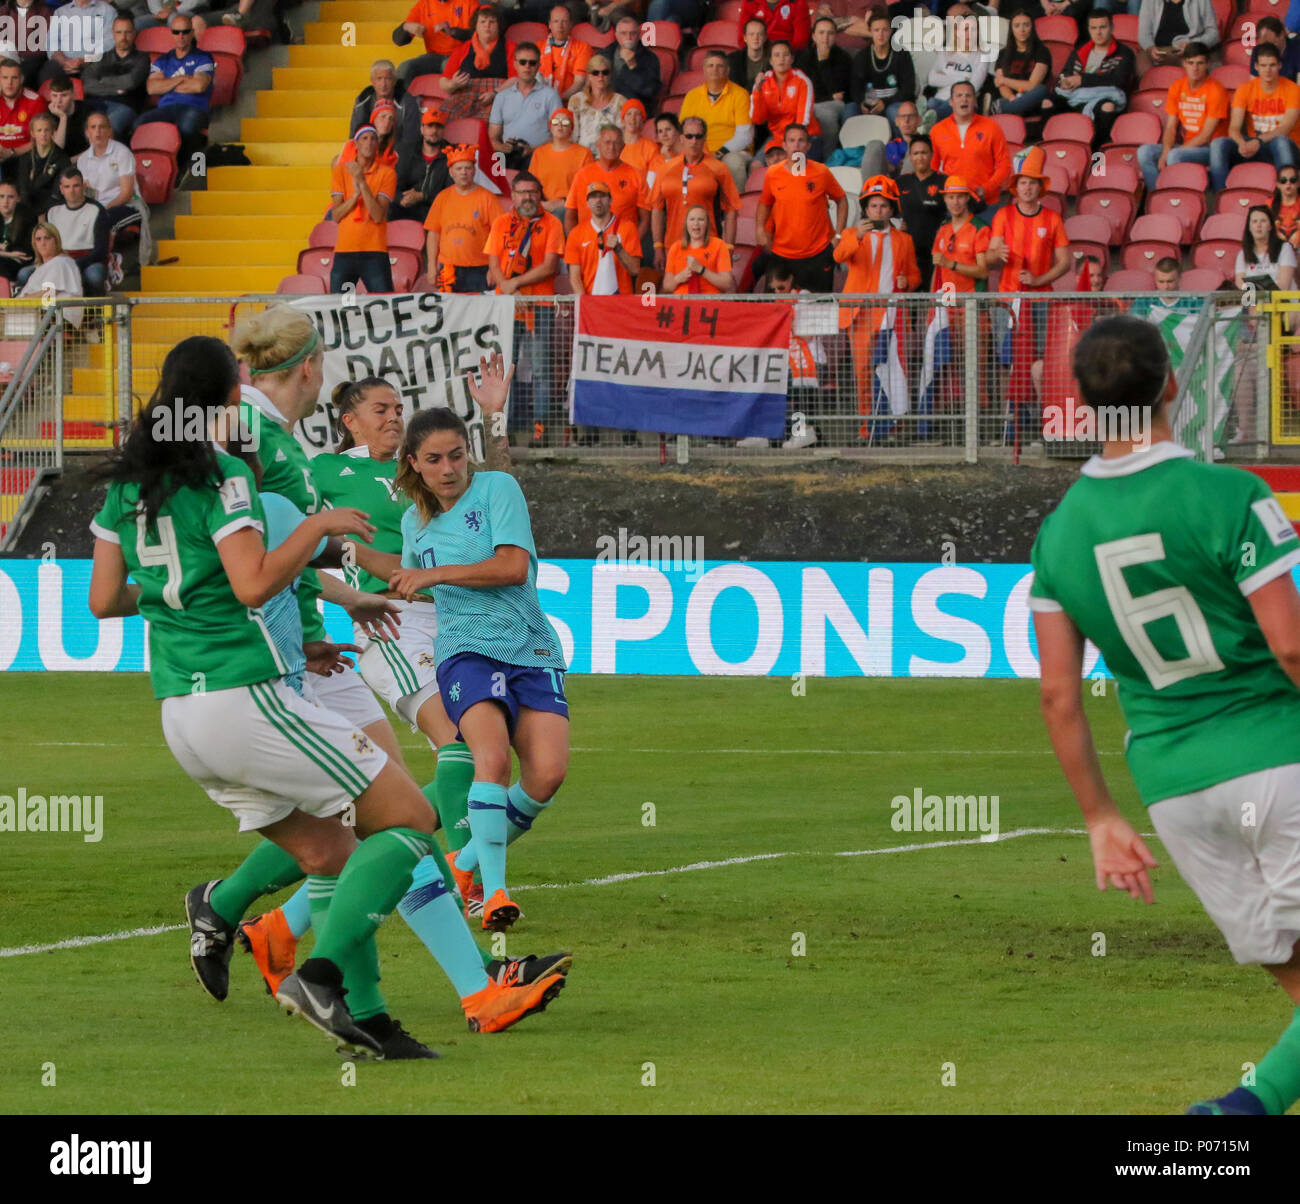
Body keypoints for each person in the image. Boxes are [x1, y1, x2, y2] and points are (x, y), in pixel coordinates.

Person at [86, 335, 440, 1059]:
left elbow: (103, 598)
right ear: (226, 398)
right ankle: (318, 974)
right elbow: (252, 583)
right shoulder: (224, 474)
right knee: (411, 818)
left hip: (181, 718)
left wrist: (180, 597)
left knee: (334, 853)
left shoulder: (130, 481)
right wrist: (316, 525)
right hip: (242, 701)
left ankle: (366, 1018)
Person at [1028, 312, 1300, 1118]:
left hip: (1174, 790)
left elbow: (1057, 696)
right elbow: (1291, 650)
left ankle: (1230, 1125)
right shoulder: (1230, 493)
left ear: (1080, 401)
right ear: (1173, 386)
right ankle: (1232, 1117)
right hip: (1280, 756)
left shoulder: (1059, 533)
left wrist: (1099, 817)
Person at [381, 402, 572, 932]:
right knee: (490, 759)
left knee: (548, 775)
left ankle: (462, 867)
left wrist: (433, 575)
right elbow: (420, 588)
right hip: (465, 649)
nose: (449, 469)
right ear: (414, 463)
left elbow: (512, 568)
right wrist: (368, 595)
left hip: (531, 647)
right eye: (435, 459)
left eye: (457, 456)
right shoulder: (412, 523)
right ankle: (494, 893)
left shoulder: (497, 491)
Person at [987, 147, 1070, 440]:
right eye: (1023, 181)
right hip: (1007, 302)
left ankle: (1039, 423)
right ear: (1016, 186)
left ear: (1041, 187)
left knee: (1038, 362)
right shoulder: (1002, 216)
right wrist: (997, 255)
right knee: (1006, 361)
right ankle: (1009, 423)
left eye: (1033, 182)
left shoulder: (1053, 219)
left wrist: (1038, 279)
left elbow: (1065, 262)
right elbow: (989, 256)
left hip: (1040, 301)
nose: (1027, 187)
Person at [834, 174, 920, 441]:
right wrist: (856, 236)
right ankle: (866, 428)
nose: (878, 210)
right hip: (859, 314)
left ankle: (893, 427)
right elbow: (838, 256)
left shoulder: (904, 240)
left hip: (891, 314)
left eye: (883, 206)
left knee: (894, 370)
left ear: (892, 209)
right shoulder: (852, 234)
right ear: (866, 209)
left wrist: (908, 282)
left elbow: (916, 276)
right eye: (873, 206)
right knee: (862, 371)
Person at [485, 171, 564, 444]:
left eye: (532, 192)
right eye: (522, 192)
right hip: (507, 305)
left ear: (539, 194)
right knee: (508, 366)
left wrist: (514, 282)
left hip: (539, 304)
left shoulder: (552, 223)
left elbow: (550, 266)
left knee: (542, 368)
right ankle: (508, 427)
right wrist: (505, 285)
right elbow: (493, 262)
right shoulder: (501, 223)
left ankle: (539, 429)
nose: (527, 197)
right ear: (513, 195)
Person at [919, 175, 990, 437]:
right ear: (945, 199)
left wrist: (952, 264)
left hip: (971, 307)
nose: (956, 201)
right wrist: (929, 304)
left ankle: (979, 429)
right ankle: (949, 428)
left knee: (974, 367)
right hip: (944, 307)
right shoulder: (944, 229)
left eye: (960, 196)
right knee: (943, 366)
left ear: (968, 198)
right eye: (951, 197)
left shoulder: (979, 228)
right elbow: (936, 273)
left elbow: (983, 271)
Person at [756, 122, 846, 289]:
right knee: (778, 310)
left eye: (801, 141)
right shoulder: (773, 173)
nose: (796, 145)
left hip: (818, 253)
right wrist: (760, 229)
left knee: (820, 311)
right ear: (784, 145)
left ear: (808, 146)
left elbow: (841, 200)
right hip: (781, 253)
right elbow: (764, 203)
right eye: (791, 140)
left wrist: (838, 236)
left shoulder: (821, 171)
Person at [648, 116, 740, 264]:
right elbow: (657, 209)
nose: (694, 141)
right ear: (681, 138)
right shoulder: (665, 169)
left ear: (705, 139)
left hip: (708, 247)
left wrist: (729, 247)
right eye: (689, 136)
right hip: (673, 247)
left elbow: (732, 209)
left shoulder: (719, 168)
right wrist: (658, 246)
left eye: (698, 136)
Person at [1136, 42, 1226, 192]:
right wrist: (1165, 152)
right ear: (1184, 63)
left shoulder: (1216, 90)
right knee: (1144, 152)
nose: (1195, 68)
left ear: (1208, 64)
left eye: (1200, 63)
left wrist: (1172, 153)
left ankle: (1175, 199)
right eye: (1191, 63)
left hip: (1210, 150)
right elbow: (1171, 126)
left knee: (1175, 155)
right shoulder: (1177, 87)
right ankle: (1157, 196)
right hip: (1188, 146)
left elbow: (1205, 136)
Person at [1209, 44, 1300, 192]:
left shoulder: (1293, 89)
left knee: (1280, 141)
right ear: (1256, 67)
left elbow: (1285, 128)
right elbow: (1234, 128)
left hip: (1287, 147)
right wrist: (1241, 143)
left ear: (1280, 65)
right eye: (1263, 65)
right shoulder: (1245, 89)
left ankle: (1287, 200)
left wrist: (1258, 141)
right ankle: (1222, 196)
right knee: (1218, 144)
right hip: (1253, 146)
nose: (1268, 70)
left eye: (1272, 65)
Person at [1044, 10, 1137, 148]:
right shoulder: (1081, 50)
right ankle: (1052, 148)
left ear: (1112, 28)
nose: (1098, 33)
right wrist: (1065, 82)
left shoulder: (1124, 52)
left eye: (1103, 27)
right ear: (1088, 29)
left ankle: (1095, 151)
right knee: (1047, 103)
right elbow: (1065, 74)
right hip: (1075, 96)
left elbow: (1119, 79)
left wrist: (1082, 80)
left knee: (1108, 106)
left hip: (1104, 97)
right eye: (1093, 28)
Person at [424, 143, 504, 292]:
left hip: (480, 269)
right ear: (451, 172)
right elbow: (433, 233)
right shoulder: (442, 197)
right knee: (450, 313)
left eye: (468, 168)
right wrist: (431, 265)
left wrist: (494, 268)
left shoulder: (488, 198)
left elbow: (499, 235)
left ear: (474, 171)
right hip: (448, 269)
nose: (463, 172)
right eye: (459, 169)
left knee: (479, 313)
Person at [328, 125, 395, 294]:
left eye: (373, 139)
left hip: (374, 251)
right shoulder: (340, 171)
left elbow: (378, 215)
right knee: (342, 306)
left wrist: (362, 182)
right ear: (356, 144)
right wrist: (354, 196)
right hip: (345, 250)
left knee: (384, 305)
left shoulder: (387, 174)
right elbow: (336, 215)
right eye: (364, 138)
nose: (369, 143)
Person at [929, 80, 1011, 214]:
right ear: (951, 101)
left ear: (975, 101)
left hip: (986, 202)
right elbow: (932, 168)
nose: (964, 99)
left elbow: (1004, 165)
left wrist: (987, 188)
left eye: (968, 96)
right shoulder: (937, 131)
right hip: (952, 204)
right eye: (959, 96)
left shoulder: (992, 128)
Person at [680, 50, 755, 193]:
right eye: (710, 65)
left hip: (733, 151)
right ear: (704, 70)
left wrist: (719, 153)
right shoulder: (692, 95)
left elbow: (745, 136)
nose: (715, 69)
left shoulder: (740, 94)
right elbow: (684, 130)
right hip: (699, 149)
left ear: (727, 70)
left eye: (720, 66)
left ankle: (736, 208)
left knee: (734, 162)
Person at [134, 13, 212, 147]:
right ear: (171, 33)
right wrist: (182, 78)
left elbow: (199, 86)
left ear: (192, 33)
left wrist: (166, 84)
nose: (181, 36)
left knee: (186, 129)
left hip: (194, 108)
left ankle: (185, 165)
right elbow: (152, 88)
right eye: (176, 32)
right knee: (139, 125)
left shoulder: (203, 57)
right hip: (166, 109)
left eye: (185, 32)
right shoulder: (162, 59)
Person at [489, 41, 561, 171]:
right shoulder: (501, 97)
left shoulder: (551, 95)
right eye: (523, 62)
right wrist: (502, 147)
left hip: (541, 156)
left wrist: (533, 149)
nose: (527, 66)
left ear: (539, 66)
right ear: (515, 64)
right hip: (508, 156)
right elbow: (493, 137)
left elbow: (558, 135)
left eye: (532, 63)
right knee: (493, 164)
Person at [37, 165, 109, 294]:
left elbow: (101, 251)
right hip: (58, 261)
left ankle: (97, 312)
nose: (72, 191)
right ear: (61, 189)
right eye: (67, 186)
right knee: (24, 274)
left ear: (83, 186)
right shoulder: (53, 211)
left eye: (76, 186)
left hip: (88, 261)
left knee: (95, 275)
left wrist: (74, 263)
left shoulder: (97, 210)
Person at [564, 122, 646, 235]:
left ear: (623, 146)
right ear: (598, 144)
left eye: (616, 143)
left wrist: (632, 245)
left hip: (623, 244)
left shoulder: (635, 175)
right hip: (587, 244)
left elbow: (645, 219)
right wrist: (575, 244)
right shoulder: (582, 174)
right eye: (607, 142)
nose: (611, 147)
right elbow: (570, 215)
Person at [438, 4, 514, 123]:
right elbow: (443, 81)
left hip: (499, 96)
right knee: (443, 114)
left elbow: (517, 79)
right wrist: (453, 84)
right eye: (482, 22)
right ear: (476, 26)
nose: (487, 26)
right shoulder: (462, 49)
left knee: (492, 119)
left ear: (499, 26)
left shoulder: (510, 47)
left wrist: (495, 93)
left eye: (492, 22)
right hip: (465, 96)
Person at [82, 14, 150, 142]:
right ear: (113, 34)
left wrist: (102, 81)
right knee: (77, 127)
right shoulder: (101, 57)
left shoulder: (142, 58)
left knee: (105, 131)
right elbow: (87, 85)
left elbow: (130, 82)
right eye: (119, 32)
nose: (123, 37)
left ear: (134, 33)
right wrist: (115, 90)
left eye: (127, 32)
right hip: (95, 104)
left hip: (124, 106)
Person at [564, 177, 639, 294]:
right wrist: (586, 304)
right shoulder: (576, 233)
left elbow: (635, 270)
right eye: (593, 197)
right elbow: (575, 278)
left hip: (621, 303)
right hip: (592, 302)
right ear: (587, 203)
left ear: (610, 200)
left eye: (602, 196)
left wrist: (619, 249)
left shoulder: (628, 227)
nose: (598, 200)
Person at [922, 4, 989, 126]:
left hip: (964, 102)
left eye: (974, 29)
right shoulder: (946, 52)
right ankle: (926, 119)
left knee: (936, 109)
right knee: (932, 103)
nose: (970, 34)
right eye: (965, 29)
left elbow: (973, 86)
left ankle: (925, 120)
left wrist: (946, 78)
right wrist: (962, 79)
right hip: (939, 99)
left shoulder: (982, 56)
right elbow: (932, 79)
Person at [848, 8, 916, 128]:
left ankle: (899, 144)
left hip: (893, 102)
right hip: (869, 103)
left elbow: (908, 88)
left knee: (894, 112)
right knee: (849, 110)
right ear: (870, 32)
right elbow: (855, 87)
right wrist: (862, 103)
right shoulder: (862, 56)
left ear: (890, 31)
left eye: (885, 30)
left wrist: (885, 103)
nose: (881, 34)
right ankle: (852, 146)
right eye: (876, 30)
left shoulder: (901, 54)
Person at [897, 134, 946, 289]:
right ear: (910, 157)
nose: (920, 157)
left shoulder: (944, 181)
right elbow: (885, 210)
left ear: (931, 155)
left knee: (940, 303)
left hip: (938, 255)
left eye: (924, 153)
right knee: (911, 305)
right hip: (908, 255)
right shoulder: (900, 182)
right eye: (916, 153)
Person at [796, 15, 851, 151]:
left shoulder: (844, 58)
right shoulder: (803, 57)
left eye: (830, 33)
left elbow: (839, 91)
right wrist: (828, 96)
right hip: (810, 102)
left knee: (826, 115)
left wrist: (824, 62)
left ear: (835, 36)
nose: (825, 38)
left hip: (833, 106)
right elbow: (804, 89)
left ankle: (828, 158)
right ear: (814, 36)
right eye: (821, 33)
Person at [13, 221, 80, 331]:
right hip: (41, 314)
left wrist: (21, 301)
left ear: (56, 241)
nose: (43, 243)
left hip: (59, 317)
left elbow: (49, 293)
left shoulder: (61, 262)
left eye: (47, 238)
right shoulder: (40, 267)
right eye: (38, 239)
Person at [751, 40, 820, 148]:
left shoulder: (802, 81)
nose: (781, 59)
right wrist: (757, 91)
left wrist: (789, 146)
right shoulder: (763, 82)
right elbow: (757, 119)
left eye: (785, 55)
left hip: (805, 138)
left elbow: (803, 121)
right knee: (756, 164)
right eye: (777, 55)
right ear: (771, 61)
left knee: (793, 163)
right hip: (778, 138)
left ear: (792, 59)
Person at [529, 105, 591, 218]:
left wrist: (563, 202)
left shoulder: (584, 153)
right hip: (542, 204)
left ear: (571, 129)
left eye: (565, 122)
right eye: (556, 121)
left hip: (570, 206)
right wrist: (542, 203)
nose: (560, 125)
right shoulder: (539, 153)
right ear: (550, 127)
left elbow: (586, 187)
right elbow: (531, 184)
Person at [349, 60, 421, 157]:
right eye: (379, 79)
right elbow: (354, 138)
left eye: (388, 79)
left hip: (399, 155)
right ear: (372, 82)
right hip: (368, 154)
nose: (383, 85)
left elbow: (411, 140)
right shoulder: (362, 101)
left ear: (394, 81)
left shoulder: (408, 103)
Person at [988, 10, 1051, 120]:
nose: (1022, 30)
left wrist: (1004, 80)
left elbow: (1032, 86)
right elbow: (1001, 86)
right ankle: (1014, 108)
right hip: (1010, 99)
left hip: (1031, 98)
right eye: (1017, 26)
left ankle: (1003, 108)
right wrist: (1012, 98)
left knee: (1042, 90)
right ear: (1011, 29)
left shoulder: (1042, 51)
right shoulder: (1003, 53)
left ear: (1032, 27)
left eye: (1026, 25)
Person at [391, 108, 450, 223]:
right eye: (430, 126)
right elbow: (394, 184)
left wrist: (423, 196)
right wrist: (402, 199)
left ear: (444, 131)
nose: (434, 131)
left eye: (438, 127)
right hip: (406, 206)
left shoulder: (451, 154)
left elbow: (451, 192)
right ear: (422, 129)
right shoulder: (406, 152)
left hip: (435, 209)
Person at [396, 0, 476, 83]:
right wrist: (406, 27)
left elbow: (479, 34)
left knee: (448, 68)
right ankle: (407, 96)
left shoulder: (469, 2)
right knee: (404, 69)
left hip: (461, 56)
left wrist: (452, 32)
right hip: (433, 57)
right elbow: (398, 41)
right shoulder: (424, 4)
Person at [662, 202, 735, 294]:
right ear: (686, 224)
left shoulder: (719, 245)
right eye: (692, 219)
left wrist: (701, 270)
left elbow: (727, 283)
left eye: (700, 219)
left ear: (707, 224)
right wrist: (679, 278)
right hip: (681, 303)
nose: (696, 223)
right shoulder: (675, 247)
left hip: (710, 302)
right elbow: (667, 286)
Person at [42, 0, 116, 86]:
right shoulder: (60, 12)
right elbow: (51, 43)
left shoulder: (107, 10)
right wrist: (64, 61)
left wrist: (84, 60)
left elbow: (109, 43)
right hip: (64, 63)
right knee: (48, 72)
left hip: (93, 62)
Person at [1235, 203, 1297, 291]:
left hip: (1282, 302)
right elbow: (1241, 286)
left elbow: (1284, 286)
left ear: (1270, 226)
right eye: (1254, 221)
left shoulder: (1284, 248)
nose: (1258, 225)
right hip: (1255, 303)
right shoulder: (1242, 254)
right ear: (1249, 227)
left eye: (1263, 221)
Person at [569, 53, 625, 151]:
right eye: (595, 73)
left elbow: (623, 137)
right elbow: (573, 136)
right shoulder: (576, 100)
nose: (601, 76)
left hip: (610, 156)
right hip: (582, 156)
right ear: (589, 76)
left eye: (605, 72)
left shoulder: (620, 101)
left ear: (610, 75)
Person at [13, 112, 66, 213]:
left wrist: (42, 214)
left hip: (52, 210)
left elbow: (57, 194)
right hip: (28, 209)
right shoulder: (25, 159)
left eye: (47, 130)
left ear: (53, 132)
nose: (43, 134)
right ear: (33, 133)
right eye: (39, 130)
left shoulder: (62, 158)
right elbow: (23, 190)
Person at [1137, 0, 1218, 63]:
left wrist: (1193, 45)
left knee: (1195, 64)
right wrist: (1150, 48)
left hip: (1191, 50)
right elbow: (1144, 34)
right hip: (1160, 50)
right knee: (1142, 61)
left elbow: (1213, 33)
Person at [0, 56, 43, 173]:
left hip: (26, 159)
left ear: (21, 79)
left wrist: (12, 152)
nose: (9, 83)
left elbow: (42, 139)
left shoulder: (35, 101)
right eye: (5, 77)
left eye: (14, 78)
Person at [539, 4, 590, 102]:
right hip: (540, 103)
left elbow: (579, 82)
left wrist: (557, 100)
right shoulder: (537, 47)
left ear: (571, 24)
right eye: (556, 21)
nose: (560, 26)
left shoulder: (583, 47)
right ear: (549, 24)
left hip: (569, 102)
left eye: (564, 21)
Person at [609, 11, 658, 110]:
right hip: (606, 107)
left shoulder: (650, 58)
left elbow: (649, 91)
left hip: (633, 111)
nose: (628, 38)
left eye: (633, 33)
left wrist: (633, 66)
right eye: (623, 33)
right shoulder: (605, 53)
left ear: (639, 35)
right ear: (616, 35)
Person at [0, 0, 53, 89]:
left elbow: (44, 45)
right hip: (6, 56)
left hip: (30, 59)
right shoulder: (5, 10)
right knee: (6, 46)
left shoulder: (44, 11)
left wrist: (20, 55)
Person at [864, 99, 920, 178]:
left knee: (918, 150)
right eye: (902, 117)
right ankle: (871, 189)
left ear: (919, 120)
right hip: (887, 183)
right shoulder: (893, 145)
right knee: (874, 145)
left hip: (911, 185)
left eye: (911, 116)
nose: (906, 120)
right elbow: (889, 168)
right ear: (896, 121)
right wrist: (891, 164)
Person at [619, 99, 663, 189]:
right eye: (629, 114)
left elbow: (651, 183)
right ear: (623, 120)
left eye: (637, 114)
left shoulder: (651, 147)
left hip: (641, 197)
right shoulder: (614, 146)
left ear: (643, 120)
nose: (632, 118)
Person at [737, 0, 810, 51]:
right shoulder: (749, 2)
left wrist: (781, 53)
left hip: (787, 54)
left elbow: (801, 40)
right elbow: (742, 38)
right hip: (758, 52)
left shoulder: (798, 2)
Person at [47, 74, 89, 158]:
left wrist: (73, 161)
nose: (59, 101)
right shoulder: (47, 115)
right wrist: (63, 118)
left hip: (85, 160)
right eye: (55, 96)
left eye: (64, 95)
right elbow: (57, 150)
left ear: (73, 95)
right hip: (60, 163)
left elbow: (97, 146)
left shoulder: (86, 111)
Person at [0, 179, 32, 282]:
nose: (5, 201)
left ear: (18, 198)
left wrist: (7, 250)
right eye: (1, 196)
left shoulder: (27, 217)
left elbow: (24, 253)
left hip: (17, 262)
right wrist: (8, 253)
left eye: (10, 197)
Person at [729, 17, 770, 93]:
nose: (755, 38)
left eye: (760, 34)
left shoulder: (773, 60)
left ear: (765, 38)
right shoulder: (733, 60)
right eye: (751, 34)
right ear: (745, 38)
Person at [1273, 165, 1300, 248]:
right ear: (1277, 184)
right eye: (1283, 180)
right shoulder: (1269, 204)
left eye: (1293, 180)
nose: (1288, 183)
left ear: (1298, 183)